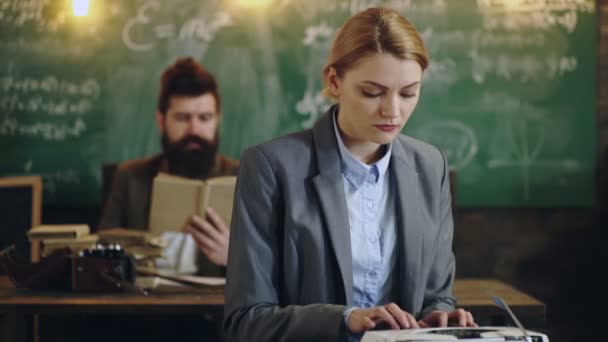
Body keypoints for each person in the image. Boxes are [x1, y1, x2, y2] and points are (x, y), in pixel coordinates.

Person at [224, 7, 476, 341]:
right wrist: (346, 320)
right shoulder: (271, 167)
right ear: (334, 81)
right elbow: (245, 321)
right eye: (372, 92)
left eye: (408, 93)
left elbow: (435, 296)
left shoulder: (431, 167)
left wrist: (441, 316)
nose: (393, 111)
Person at [99, 57, 238, 275]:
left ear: (217, 120)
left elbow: (275, 267)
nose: (194, 130)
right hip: (146, 304)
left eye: (205, 118)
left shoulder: (244, 177)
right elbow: (102, 252)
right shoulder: (130, 177)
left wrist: (236, 257)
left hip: (215, 306)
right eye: (182, 118)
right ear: (161, 121)